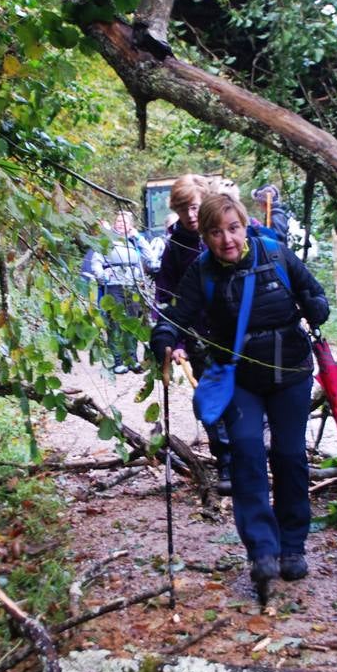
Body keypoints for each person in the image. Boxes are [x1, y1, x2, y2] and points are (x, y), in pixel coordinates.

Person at [150, 192, 329, 593]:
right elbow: (175, 317)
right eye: (216, 232)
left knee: (289, 454)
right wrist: (165, 338)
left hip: (291, 372)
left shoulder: (276, 254)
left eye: (233, 229)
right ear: (206, 236)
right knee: (247, 452)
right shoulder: (202, 273)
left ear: (245, 226)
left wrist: (315, 307)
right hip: (240, 378)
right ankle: (262, 551)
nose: (226, 240)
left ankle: (293, 546)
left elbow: (314, 294)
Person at [152, 175, 233, 496]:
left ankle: (251, 457)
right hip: (198, 336)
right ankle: (226, 461)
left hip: (235, 333)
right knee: (210, 399)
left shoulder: (221, 232)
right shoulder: (175, 247)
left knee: (245, 396)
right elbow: (166, 296)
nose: (190, 214)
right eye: (182, 208)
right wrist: (177, 342)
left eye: (195, 206)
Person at [82, 210, 152, 374]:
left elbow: (150, 256)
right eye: (119, 221)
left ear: (131, 225)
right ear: (114, 224)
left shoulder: (134, 241)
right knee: (115, 322)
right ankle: (118, 360)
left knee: (133, 321)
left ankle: (132, 359)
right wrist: (101, 276)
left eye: (125, 221)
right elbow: (96, 261)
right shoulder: (107, 240)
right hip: (113, 284)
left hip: (132, 286)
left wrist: (139, 238)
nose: (121, 223)